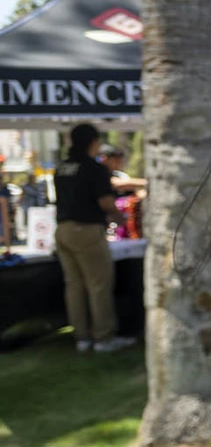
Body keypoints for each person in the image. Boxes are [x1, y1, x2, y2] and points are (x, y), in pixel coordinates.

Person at [53, 124, 136, 353]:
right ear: (93, 142)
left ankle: (81, 337)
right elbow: (105, 203)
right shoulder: (94, 169)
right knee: (99, 284)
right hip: (87, 230)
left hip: (63, 230)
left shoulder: (61, 168)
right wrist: (120, 218)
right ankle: (104, 337)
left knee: (74, 286)